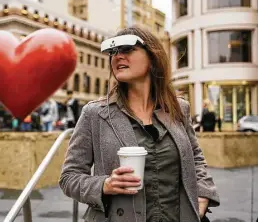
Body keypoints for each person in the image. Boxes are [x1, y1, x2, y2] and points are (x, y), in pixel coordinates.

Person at [59, 25, 220, 222]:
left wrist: (202, 196)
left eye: (127, 49)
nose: (117, 56)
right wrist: (104, 185)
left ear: (152, 56)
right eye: (113, 52)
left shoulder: (179, 108)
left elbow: (196, 159)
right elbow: (69, 177)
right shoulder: (94, 113)